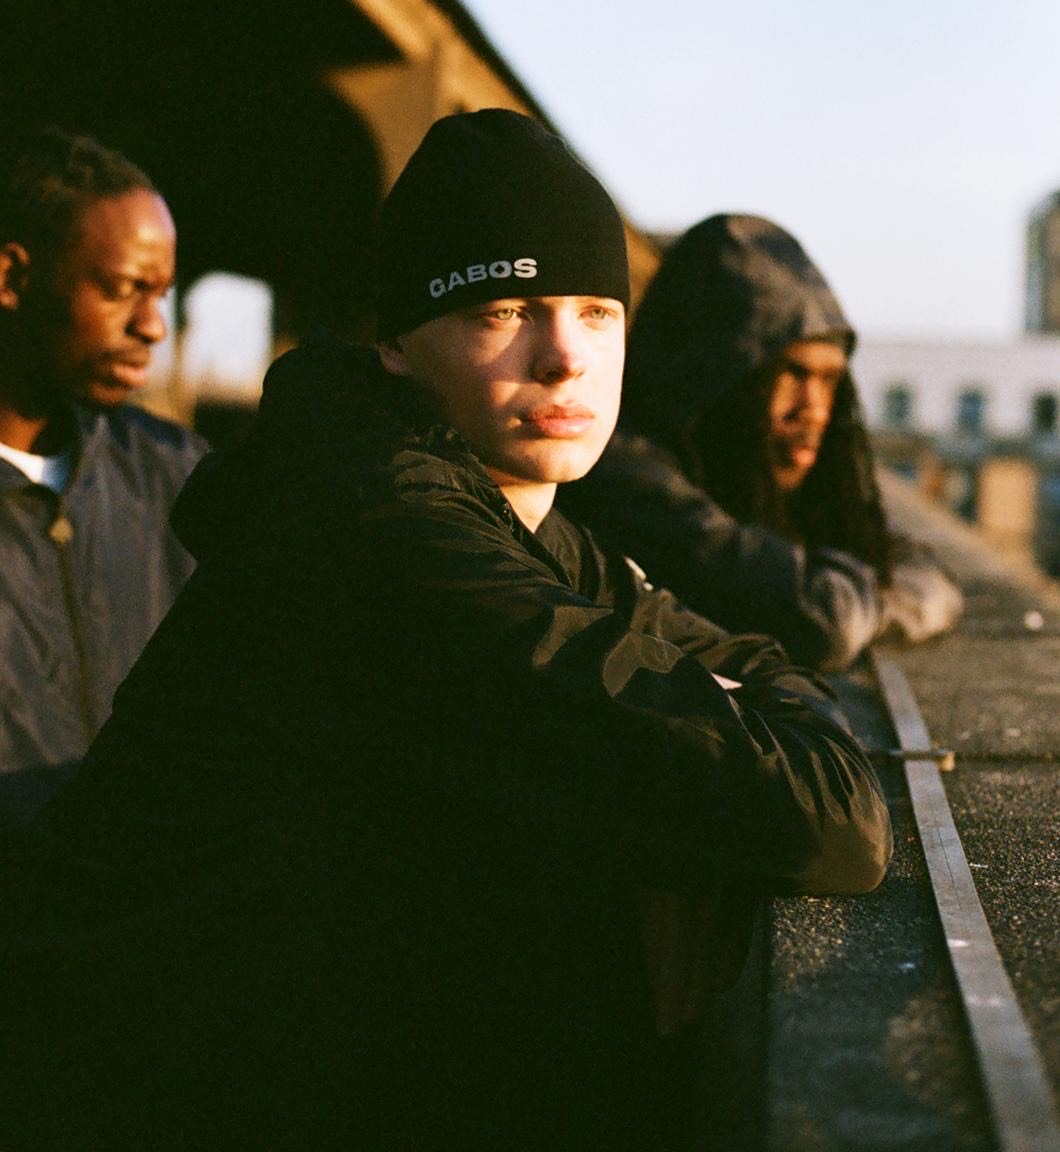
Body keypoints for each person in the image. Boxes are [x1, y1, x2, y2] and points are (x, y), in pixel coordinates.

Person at [0, 116, 891, 1151]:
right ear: (394, 340)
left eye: (596, 313)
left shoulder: (517, 512)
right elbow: (823, 815)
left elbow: (757, 661)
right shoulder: (385, 530)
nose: (564, 357)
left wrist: (752, 712)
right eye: (503, 308)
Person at [563, 212, 962, 673]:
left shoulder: (744, 480)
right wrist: (876, 595)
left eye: (830, 380)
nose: (813, 408)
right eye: (791, 374)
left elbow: (927, 574)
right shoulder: (621, 471)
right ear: (714, 376)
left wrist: (863, 594)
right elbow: (823, 621)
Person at [0, 127, 206, 831]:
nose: (153, 325)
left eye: (163, 294)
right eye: (121, 289)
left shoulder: (179, 476)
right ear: (12, 278)